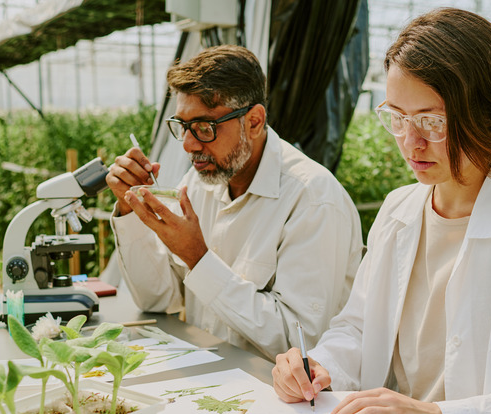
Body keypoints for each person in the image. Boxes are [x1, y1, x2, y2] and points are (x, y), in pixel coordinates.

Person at [272, 8, 491, 414]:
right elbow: (360, 328)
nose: (411, 142)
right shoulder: (398, 211)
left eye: (432, 122)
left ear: (487, 112)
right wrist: (320, 366)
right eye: (397, 117)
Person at [106, 45, 364, 361]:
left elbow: (300, 344)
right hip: (212, 382)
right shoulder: (200, 184)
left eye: (204, 127)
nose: (189, 144)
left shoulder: (312, 200)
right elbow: (157, 301)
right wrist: (131, 211)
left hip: (281, 399)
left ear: (254, 121)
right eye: (183, 126)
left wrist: (198, 259)